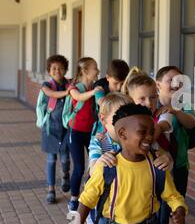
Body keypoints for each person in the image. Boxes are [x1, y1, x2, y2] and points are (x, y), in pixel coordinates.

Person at [68, 103, 187, 224]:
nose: (149, 137)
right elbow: (86, 199)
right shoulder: (108, 166)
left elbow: (172, 195)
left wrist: (179, 209)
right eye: (142, 132)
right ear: (122, 134)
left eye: (151, 131)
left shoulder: (157, 166)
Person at [86, 92, 173, 224]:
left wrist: (167, 158)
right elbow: (92, 171)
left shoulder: (139, 141)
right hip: (107, 216)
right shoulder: (100, 143)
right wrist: (101, 161)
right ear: (103, 120)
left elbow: (159, 156)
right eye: (118, 117)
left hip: (139, 214)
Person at [156, 66, 195, 224]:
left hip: (179, 166)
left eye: (179, 81)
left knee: (177, 208)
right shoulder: (151, 103)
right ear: (158, 84)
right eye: (170, 80)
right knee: (158, 211)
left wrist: (176, 111)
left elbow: (191, 123)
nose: (175, 84)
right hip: (157, 167)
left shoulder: (183, 103)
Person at [66, 57, 103, 212]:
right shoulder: (75, 87)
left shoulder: (95, 87)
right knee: (79, 167)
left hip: (91, 133)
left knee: (94, 166)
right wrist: (93, 92)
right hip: (75, 132)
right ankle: (74, 199)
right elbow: (78, 97)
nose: (98, 71)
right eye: (95, 68)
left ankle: (89, 196)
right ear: (85, 71)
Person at [37, 55, 71, 203]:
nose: (57, 71)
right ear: (49, 71)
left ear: (65, 70)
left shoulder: (69, 84)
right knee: (51, 159)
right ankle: (51, 189)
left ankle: (65, 175)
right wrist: (66, 93)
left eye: (61, 68)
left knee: (64, 158)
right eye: (54, 68)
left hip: (66, 128)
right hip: (50, 127)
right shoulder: (47, 85)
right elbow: (50, 94)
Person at [91, 59, 130, 135]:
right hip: (101, 131)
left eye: (122, 83)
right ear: (107, 77)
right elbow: (102, 102)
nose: (119, 87)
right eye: (115, 83)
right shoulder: (100, 86)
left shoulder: (127, 88)